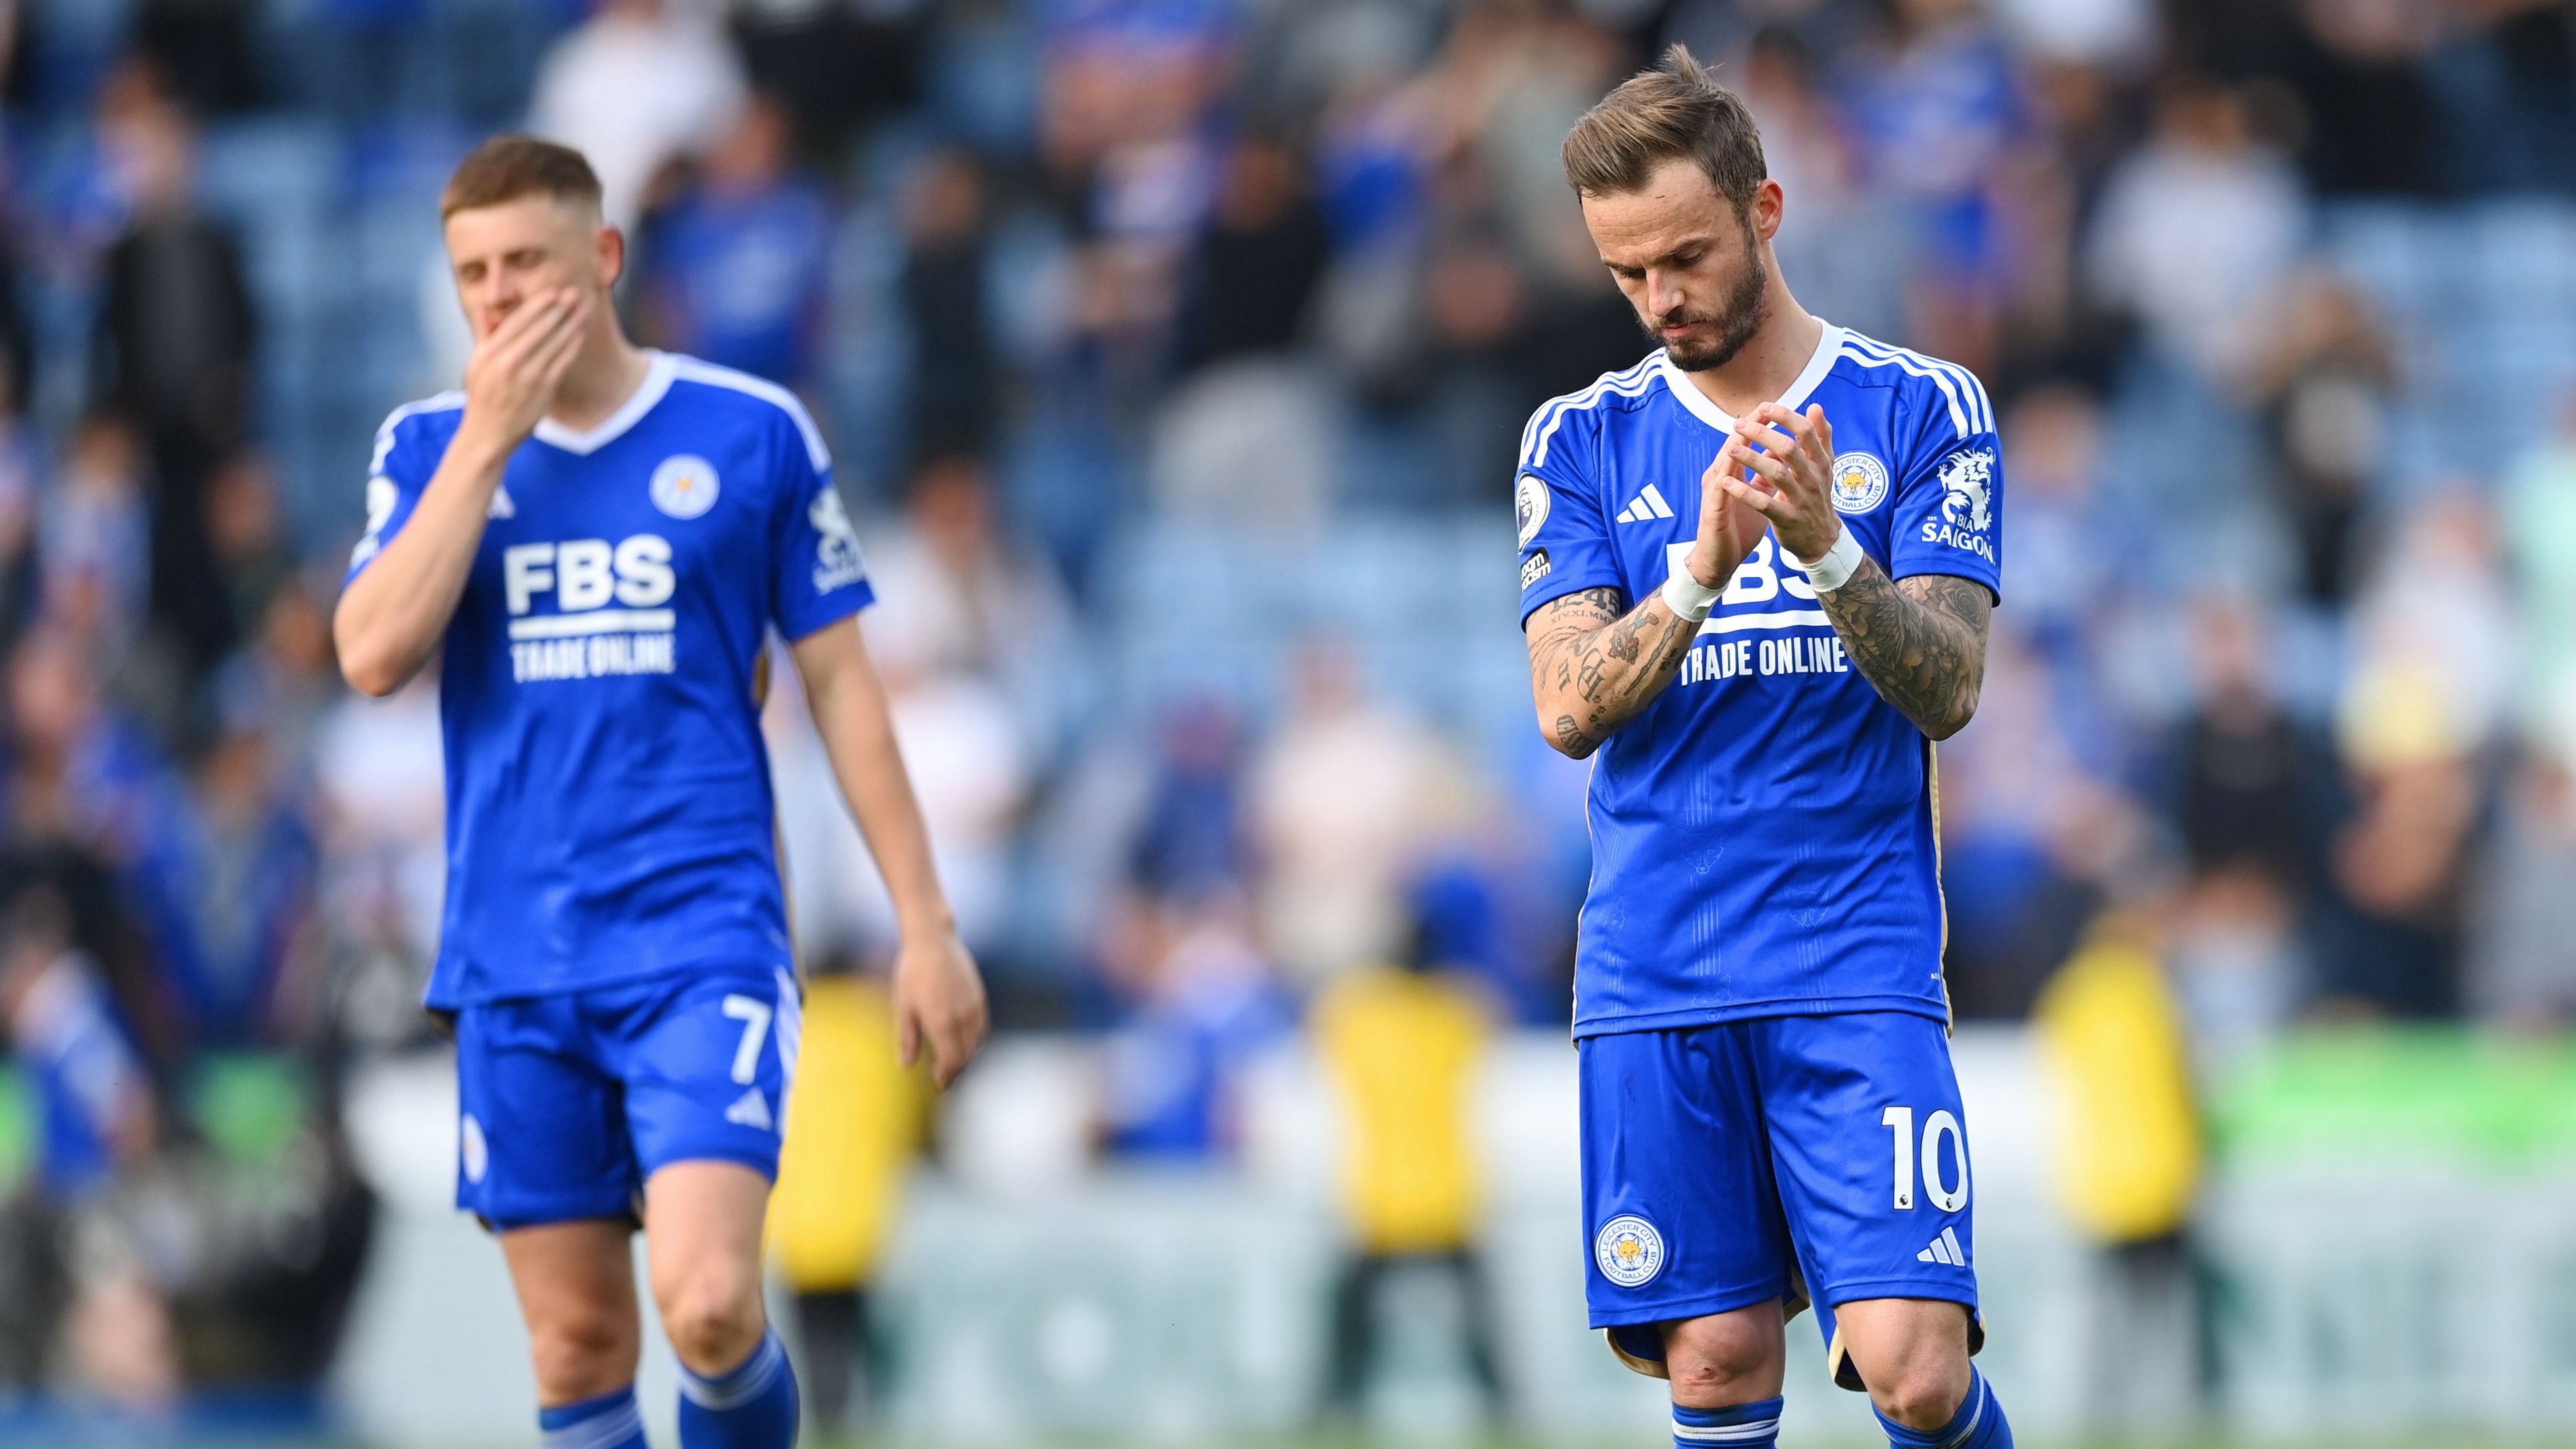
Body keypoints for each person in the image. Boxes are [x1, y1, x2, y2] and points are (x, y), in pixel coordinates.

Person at [331, 136, 987, 1449]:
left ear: (605, 258)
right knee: (578, 1346)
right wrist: (484, 450)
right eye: (475, 274)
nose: (502, 298)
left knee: (707, 1304)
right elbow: (371, 654)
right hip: (515, 960)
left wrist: (926, 922)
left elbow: (846, 690)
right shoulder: (424, 448)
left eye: (528, 262)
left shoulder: (750, 433)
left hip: (702, 942)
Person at [1516, 47, 2012, 1449]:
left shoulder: (1925, 410)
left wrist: (1829, 552)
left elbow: (1950, 685)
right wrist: (1693, 579)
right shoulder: (1581, 441)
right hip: (1658, 968)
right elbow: (1566, 709)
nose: (1662, 298)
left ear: (1768, 210)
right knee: (1719, 1365)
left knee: (1914, 1365)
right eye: (1629, 274)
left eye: (1685, 255)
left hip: (1853, 961)